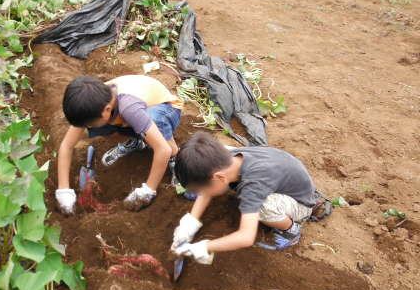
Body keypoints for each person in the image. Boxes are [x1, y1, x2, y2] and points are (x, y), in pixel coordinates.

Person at [171, 132, 321, 264]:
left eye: (199, 189)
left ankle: (290, 231)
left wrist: (204, 247)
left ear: (219, 178)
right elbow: (209, 190)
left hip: (301, 202)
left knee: (262, 207)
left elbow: (246, 237)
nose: (200, 194)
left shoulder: (253, 185)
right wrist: (190, 222)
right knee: (247, 196)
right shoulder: (226, 157)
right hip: (285, 177)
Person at [55, 74, 183, 214]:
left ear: (107, 110)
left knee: (156, 123)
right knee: (98, 126)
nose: (86, 127)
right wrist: (63, 190)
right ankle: (135, 142)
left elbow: (162, 149)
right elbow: (67, 145)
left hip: (167, 109)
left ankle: (176, 157)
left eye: (87, 123)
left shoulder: (128, 107)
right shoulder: (93, 103)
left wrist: (148, 190)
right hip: (135, 116)